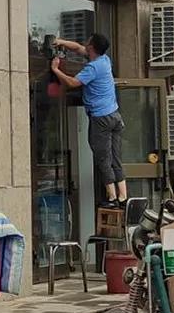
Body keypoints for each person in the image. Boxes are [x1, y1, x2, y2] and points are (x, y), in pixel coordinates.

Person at [50, 33, 128, 208]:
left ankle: (112, 197)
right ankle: (123, 196)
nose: (85, 43)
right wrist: (60, 42)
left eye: (88, 41)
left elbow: (73, 83)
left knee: (103, 157)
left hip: (101, 118)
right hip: (115, 115)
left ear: (91, 47)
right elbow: (78, 48)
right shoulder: (104, 60)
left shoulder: (93, 68)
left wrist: (56, 70)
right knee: (116, 157)